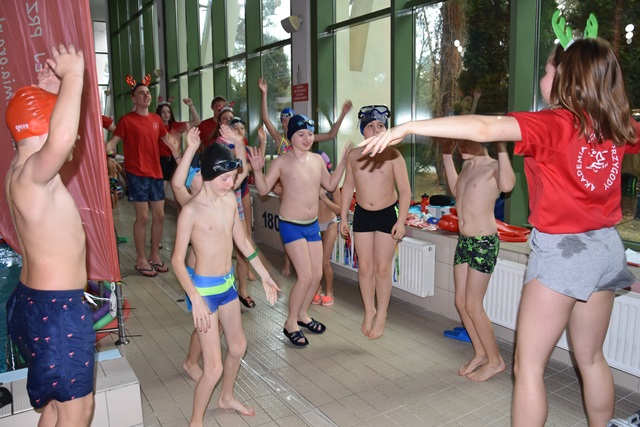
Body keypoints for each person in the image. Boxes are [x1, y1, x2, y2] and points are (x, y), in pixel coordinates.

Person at [359, 35, 640, 427]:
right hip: (606, 249)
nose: (542, 77)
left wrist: (409, 126)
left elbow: (484, 127)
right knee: (591, 358)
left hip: (565, 252)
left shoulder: (556, 124)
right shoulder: (614, 126)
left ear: (566, 77)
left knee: (528, 368)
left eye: (547, 70)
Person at [5, 43, 95, 426]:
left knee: (58, 407)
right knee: (77, 412)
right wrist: (74, 76)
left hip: (37, 305)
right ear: (46, 127)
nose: (74, 140)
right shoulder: (33, 177)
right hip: (56, 312)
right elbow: (59, 140)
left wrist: (51, 94)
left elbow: (48, 135)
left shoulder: (19, 172)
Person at [170, 141, 280, 424]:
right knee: (213, 368)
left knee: (238, 347)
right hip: (204, 291)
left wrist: (264, 274)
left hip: (227, 286)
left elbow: (242, 241)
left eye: (232, 178)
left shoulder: (229, 200)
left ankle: (226, 397)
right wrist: (194, 298)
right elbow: (177, 261)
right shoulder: (191, 211)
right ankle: (196, 421)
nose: (231, 184)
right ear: (208, 174)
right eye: (225, 179)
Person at [248, 114, 351, 347]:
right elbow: (263, 190)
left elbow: (331, 184)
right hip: (291, 225)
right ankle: (290, 322)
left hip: (311, 225)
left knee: (316, 275)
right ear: (290, 136)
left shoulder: (317, 160)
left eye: (310, 134)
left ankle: (303, 314)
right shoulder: (282, 162)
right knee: (305, 277)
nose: (307, 138)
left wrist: (343, 161)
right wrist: (257, 170)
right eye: (301, 134)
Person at [442, 139, 515, 381]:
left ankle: (496, 361)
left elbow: (507, 185)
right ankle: (481, 353)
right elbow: (457, 192)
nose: (461, 146)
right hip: (464, 241)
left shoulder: (493, 166)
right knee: (461, 302)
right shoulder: (467, 166)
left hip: (484, 242)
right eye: (459, 143)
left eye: (466, 142)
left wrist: (501, 146)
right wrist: (446, 156)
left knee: (473, 305)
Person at [339, 105, 411, 340]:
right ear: (363, 130)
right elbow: (348, 186)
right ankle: (369, 309)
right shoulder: (354, 156)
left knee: (382, 268)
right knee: (365, 268)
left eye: (381, 125)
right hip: (362, 214)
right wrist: (343, 217)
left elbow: (405, 190)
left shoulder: (393, 155)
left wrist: (401, 221)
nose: (376, 129)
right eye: (370, 126)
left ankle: (382, 314)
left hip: (387, 214)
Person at [106, 77, 176, 278]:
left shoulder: (156, 120)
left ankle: (154, 255)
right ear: (134, 99)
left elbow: (168, 140)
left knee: (159, 215)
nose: (146, 96)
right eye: (141, 93)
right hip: (137, 173)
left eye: (147, 93)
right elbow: (113, 143)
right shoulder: (126, 121)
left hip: (156, 173)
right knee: (143, 216)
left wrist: (183, 151)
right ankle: (141, 259)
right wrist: (103, 152)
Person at [312, 151, 341, 307]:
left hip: (330, 223)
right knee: (314, 263)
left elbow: (339, 209)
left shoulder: (332, 185)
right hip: (314, 224)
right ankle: (317, 289)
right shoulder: (309, 182)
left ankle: (330, 292)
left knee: (324, 262)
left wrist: (323, 198)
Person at [156, 98, 201, 190]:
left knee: (178, 185)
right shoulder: (155, 126)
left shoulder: (176, 125)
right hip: (160, 160)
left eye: (168, 112)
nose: (166, 114)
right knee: (162, 188)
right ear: (159, 113)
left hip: (175, 159)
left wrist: (191, 105)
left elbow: (197, 122)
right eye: (163, 112)